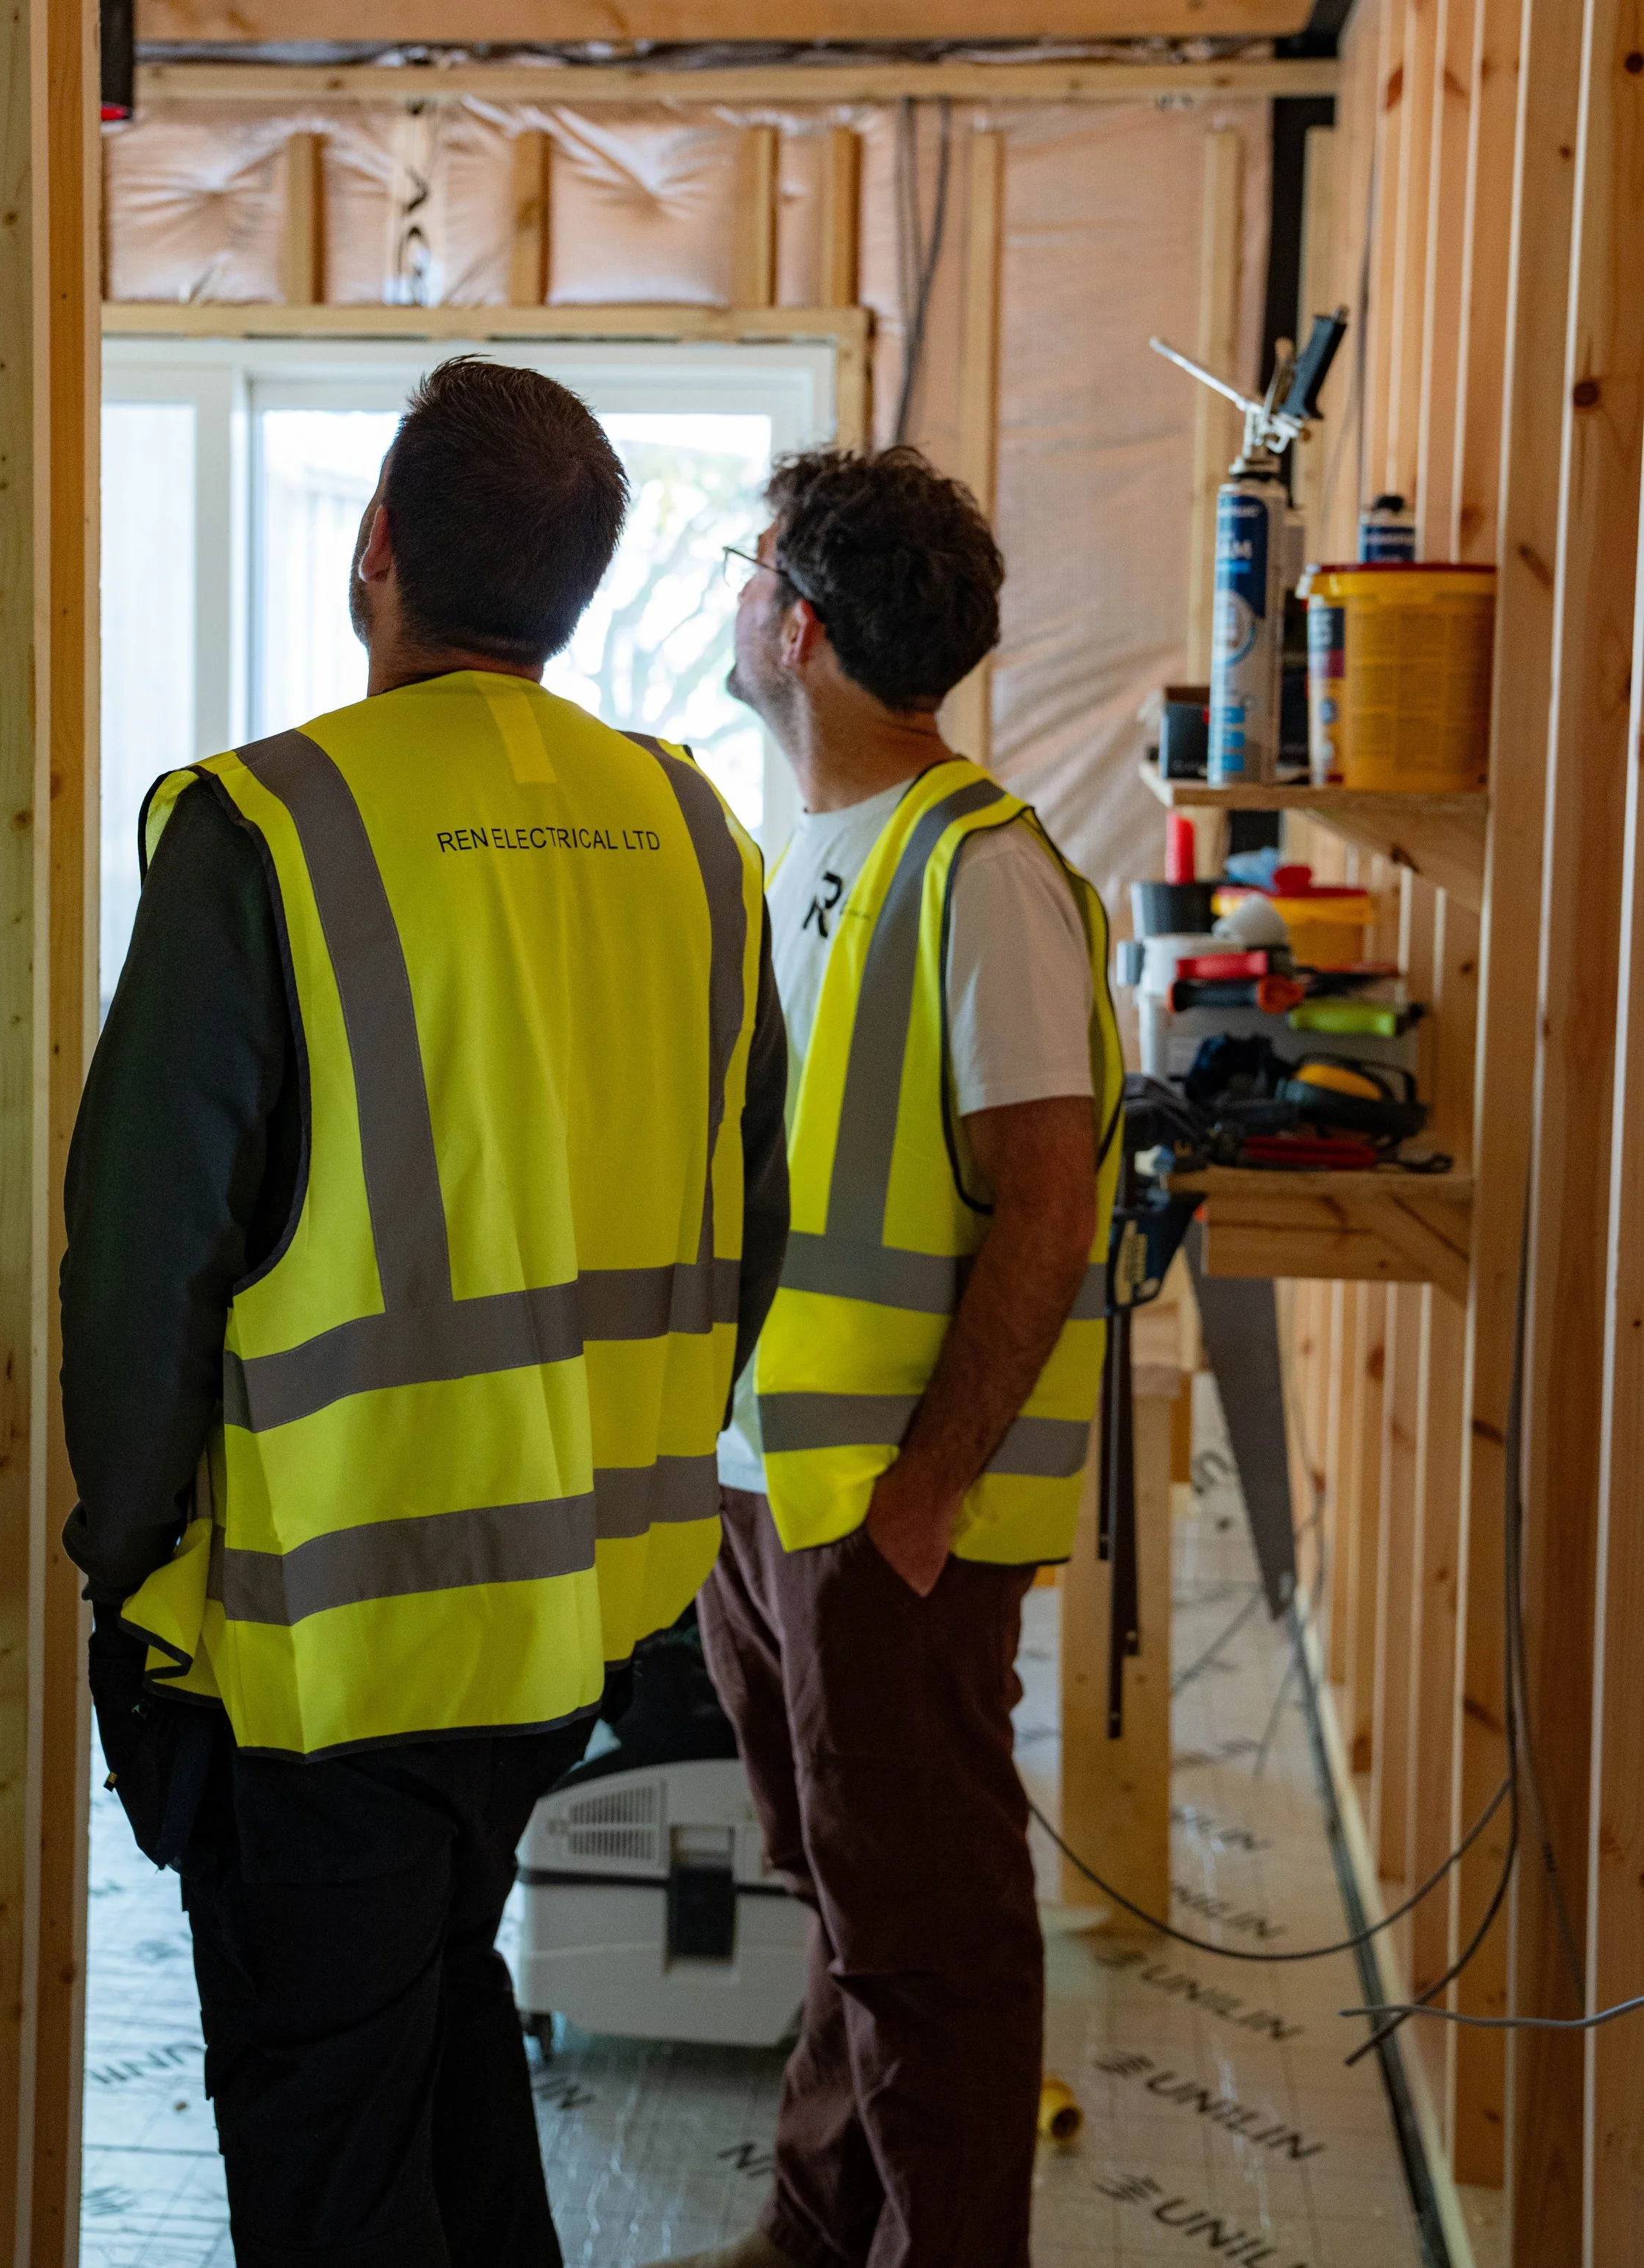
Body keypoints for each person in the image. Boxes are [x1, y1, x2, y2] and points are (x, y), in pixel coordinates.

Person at [61, 357, 790, 2268]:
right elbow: (756, 1231)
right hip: (570, 1629)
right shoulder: (696, 838)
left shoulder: (268, 826)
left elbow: (141, 1264)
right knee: (433, 2044)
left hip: (320, 1653)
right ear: (568, 589)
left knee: (328, 2157)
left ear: (375, 552)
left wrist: (119, 1574)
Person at [647, 449, 1122, 2268]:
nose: (732, 598)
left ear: (804, 625)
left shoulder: (973, 868)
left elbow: (1046, 1205)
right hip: (770, 1494)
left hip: (883, 1517)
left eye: (746, 566)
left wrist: (924, 1496)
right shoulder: (803, 857)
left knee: (930, 1934)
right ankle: (808, 2230)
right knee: (845, 1896)